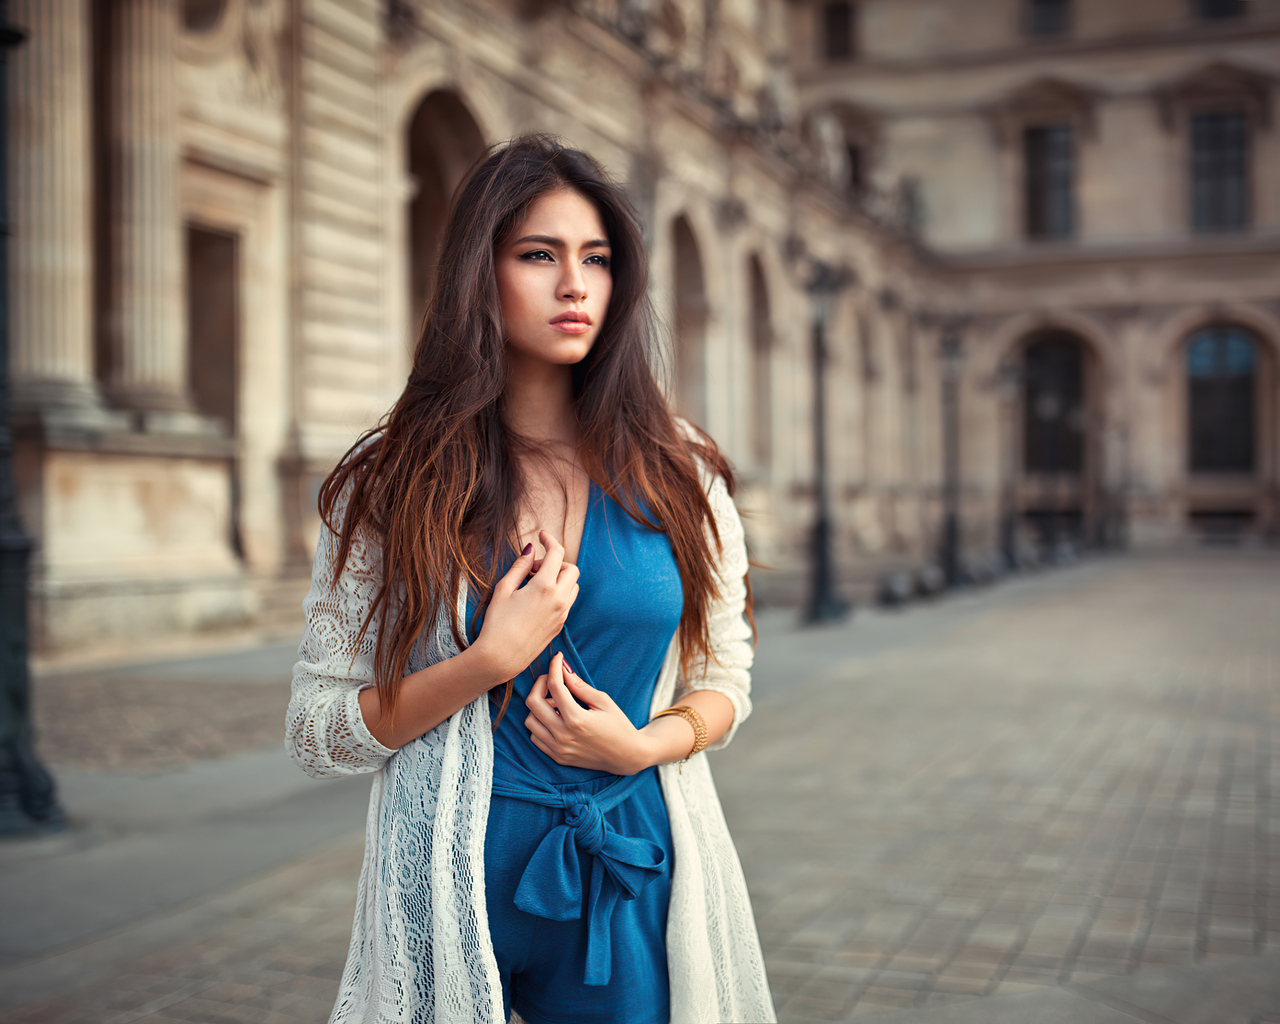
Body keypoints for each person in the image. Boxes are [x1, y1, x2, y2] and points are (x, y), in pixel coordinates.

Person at [286, 134, 775, 1024]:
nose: (575, 285)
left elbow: (725, 678)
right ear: (481, 271)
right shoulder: (394, 480)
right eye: (539, 255)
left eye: (597, 259)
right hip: (452, 876)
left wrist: (643, 747)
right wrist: (483, 662)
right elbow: (319, 733)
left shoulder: (682, 472)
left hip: (631, 859)